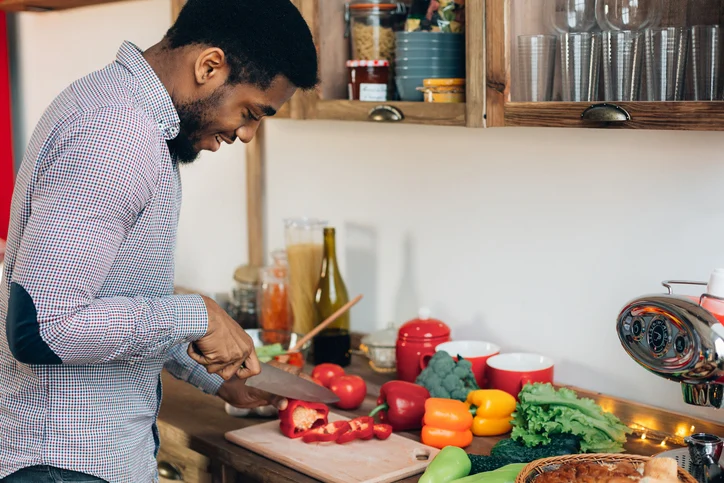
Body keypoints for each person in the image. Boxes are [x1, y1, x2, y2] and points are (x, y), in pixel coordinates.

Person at [0, 0, 318, 482]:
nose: (248, 134)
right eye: (251, 112)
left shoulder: (115, 107)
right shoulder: (118, 134)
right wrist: (197, 314)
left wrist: (215, 379)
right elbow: (43, 326)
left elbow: (114, 300)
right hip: (68, 466)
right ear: (209, 66)